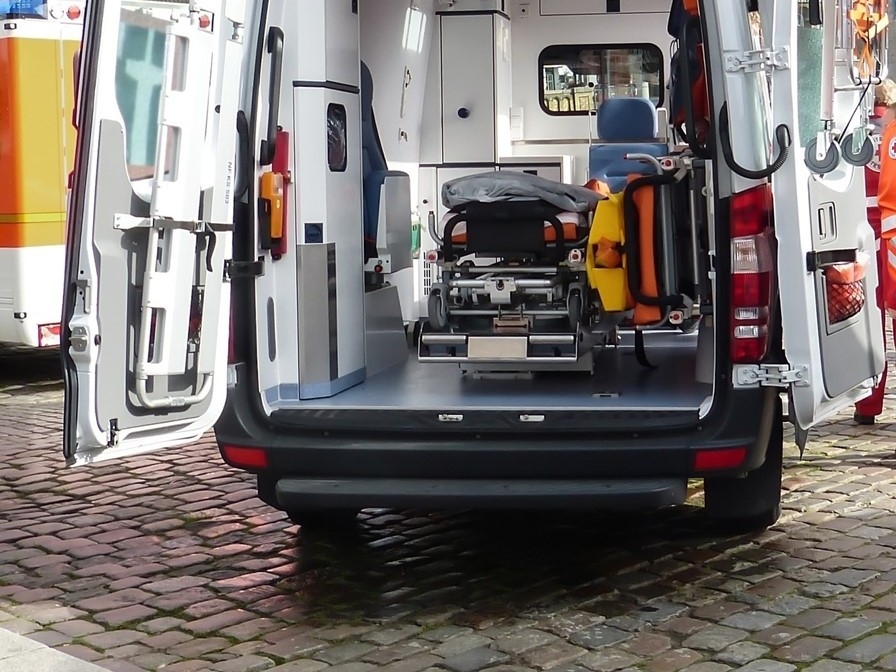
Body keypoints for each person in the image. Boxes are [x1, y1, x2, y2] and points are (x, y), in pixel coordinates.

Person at [857, 79, 896, 424]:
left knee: (868, 321)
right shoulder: (890, 130)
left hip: (860, 234)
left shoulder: (851, 128)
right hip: (890, 233)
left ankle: (868, 404)